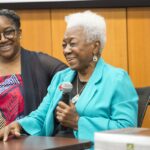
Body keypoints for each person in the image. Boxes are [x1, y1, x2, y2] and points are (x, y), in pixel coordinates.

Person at [0, 10, 138, 145]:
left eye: (72, 44)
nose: (66, 50)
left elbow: (127, 130)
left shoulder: (116, 79)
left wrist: (78, 122)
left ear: (95, 47)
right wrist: (19, 125)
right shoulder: (61, 77)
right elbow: (41, 116)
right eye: (64, 45)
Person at [0, 9, 67, 129]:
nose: (3, 39)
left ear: (19, 33)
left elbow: (71, 77)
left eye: (8, 32)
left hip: (32, 142)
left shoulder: (40, 62)